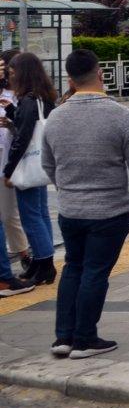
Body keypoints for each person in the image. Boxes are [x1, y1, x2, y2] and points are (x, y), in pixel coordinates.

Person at [42, 50, 129, 358]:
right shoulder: (119, 115)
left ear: (69, 80)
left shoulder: (56, 116)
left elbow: (48, 164)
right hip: (109, 210)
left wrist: (66, 188)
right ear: (101, 75)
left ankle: (63, 338)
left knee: (72, 268)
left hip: (70, 210)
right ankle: (85, 338)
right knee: (95, 272)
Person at [3, 53, 59, 285]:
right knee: (40, 212)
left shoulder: (28, 101)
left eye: (13, 72)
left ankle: (44, 263)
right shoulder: (43, 97)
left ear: (23, 73)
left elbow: (23, 138)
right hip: (42, 163)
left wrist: (9, 170)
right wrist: (11, 114)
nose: (10, 76)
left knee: (30, 217)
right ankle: (42, 262)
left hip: (28, 164)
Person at [0, 51, 33, 280]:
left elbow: (22, 130)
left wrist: (10, 123)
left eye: (7, 68)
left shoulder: (21, 96)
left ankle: (24, 255)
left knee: (8, 212)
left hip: (8, 159)